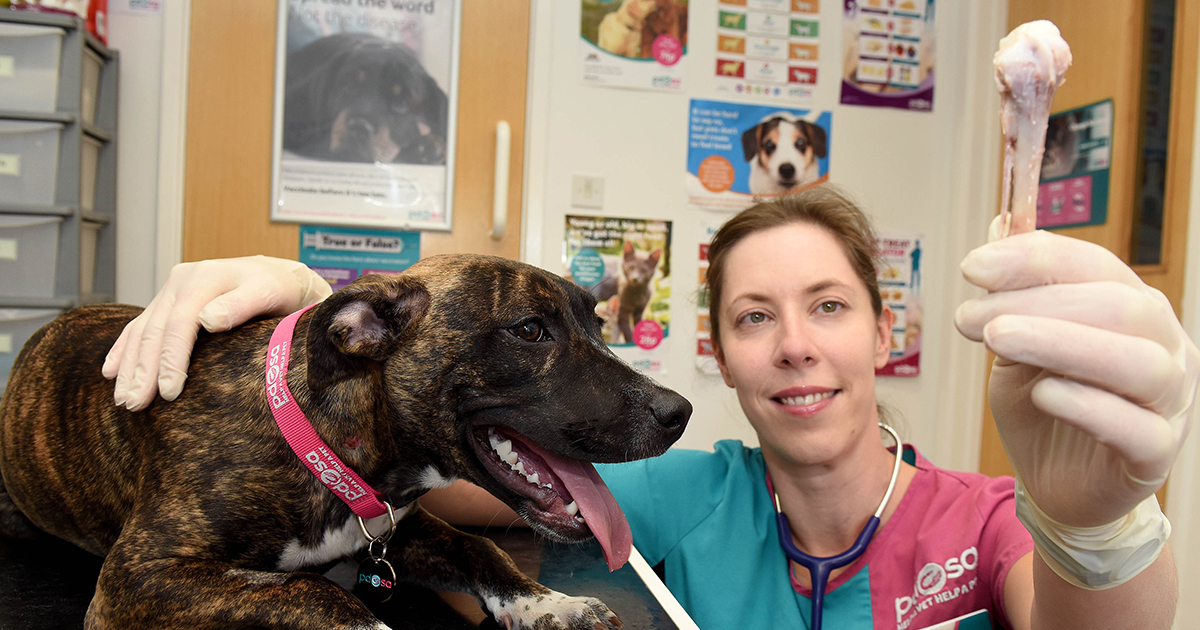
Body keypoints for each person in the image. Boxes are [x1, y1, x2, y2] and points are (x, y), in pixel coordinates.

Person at [104, 185, 1194, 629]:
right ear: (718, 353)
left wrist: (1099, 526)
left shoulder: (995, 518)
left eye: (828, 306)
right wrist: (314, 323)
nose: (799, 344)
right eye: (756, 318)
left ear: (883, 333)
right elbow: (407, 465)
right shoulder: (685, 493)